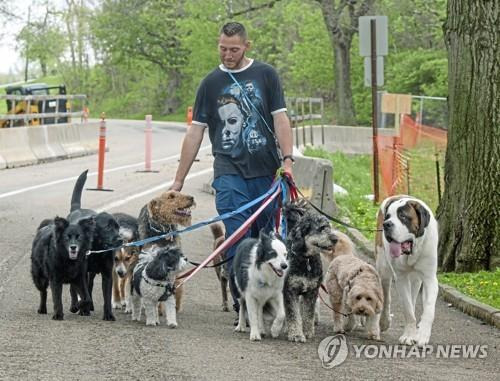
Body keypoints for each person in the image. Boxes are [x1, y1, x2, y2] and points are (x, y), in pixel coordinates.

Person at [170, 21, 294, 323]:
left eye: (234, 49)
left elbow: (280, 120)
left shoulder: (266, 75)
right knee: (238, 236)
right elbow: (195, 133)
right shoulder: (210, 84)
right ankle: (243, 303)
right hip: (228, 172)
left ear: (246, 46)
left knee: (265, 239)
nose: (227, 54)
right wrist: (178, 180)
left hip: (266, 173)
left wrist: (288, 161)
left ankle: (263, 295)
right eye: (223, 48)